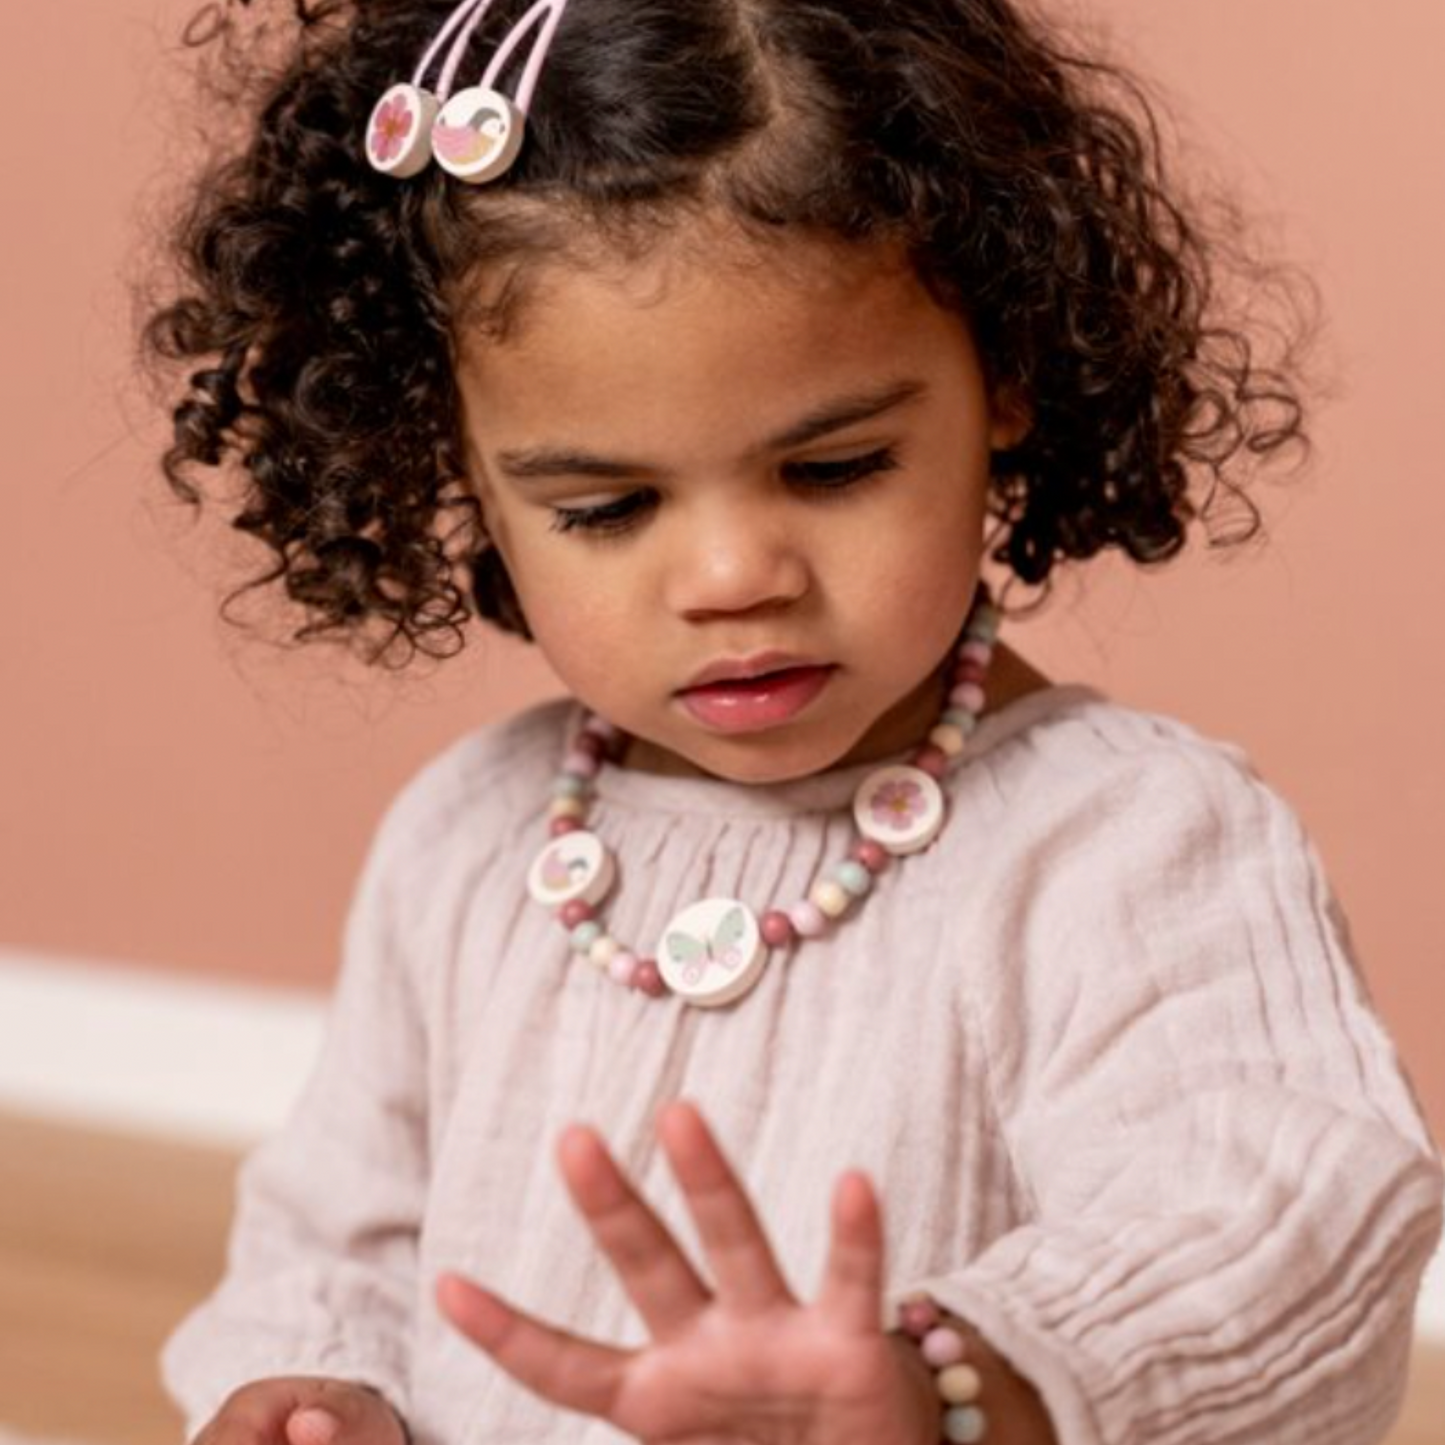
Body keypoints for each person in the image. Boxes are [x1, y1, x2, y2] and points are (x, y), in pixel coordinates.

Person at [145, 1, 1443, 1442]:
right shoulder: (469, 835)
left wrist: (949, 1390)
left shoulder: (1128, 847)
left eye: (833, 468)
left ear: (1003, 375)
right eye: (606, 508)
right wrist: (320, 1388)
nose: (732, 577)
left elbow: (1276, 1207)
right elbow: (342, 1224)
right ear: (459, 473)